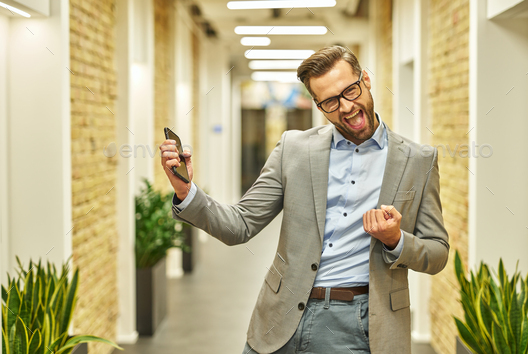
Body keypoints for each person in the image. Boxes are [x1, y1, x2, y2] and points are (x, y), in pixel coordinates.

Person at [159, 45, 449, 354]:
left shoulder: (418, 160)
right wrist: (185, 191)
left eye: (350, 90)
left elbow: (437, 252)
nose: (346, 107)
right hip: (279, 319)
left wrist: (396, 240)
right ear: (317, 105)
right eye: (330, 101)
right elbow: (239, 225)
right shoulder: (293, 149)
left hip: (360, 325)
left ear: (365, 79)